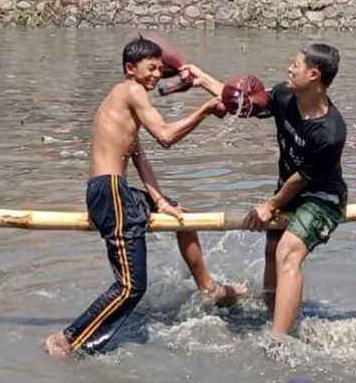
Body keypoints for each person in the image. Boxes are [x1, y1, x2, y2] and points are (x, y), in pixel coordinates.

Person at [45, 36, 245, 357]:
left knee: (183, 216)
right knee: (131, 287)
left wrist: (162, 202)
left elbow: (139, 158)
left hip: (116, 190)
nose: (155, 75)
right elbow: (165, 136)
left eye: (158, 69)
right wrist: (206, 107)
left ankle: (208, 289)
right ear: (130, 69)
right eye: (150, 68)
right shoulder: (131, 90)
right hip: (109, 193)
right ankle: (67, 340)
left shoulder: (126, 101)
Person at [180, 43, 348, 337]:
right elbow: (242, 103)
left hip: (322, 198)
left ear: (313, 74)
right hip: (289, 191)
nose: (289, 68)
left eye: (295, 65)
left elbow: (302, 178)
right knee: (272, 250)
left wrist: (270, 205)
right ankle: (272, 309)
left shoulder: (330, 132)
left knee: (287, 254)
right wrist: (202, 79)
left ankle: (278, 341)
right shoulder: (284, 95)